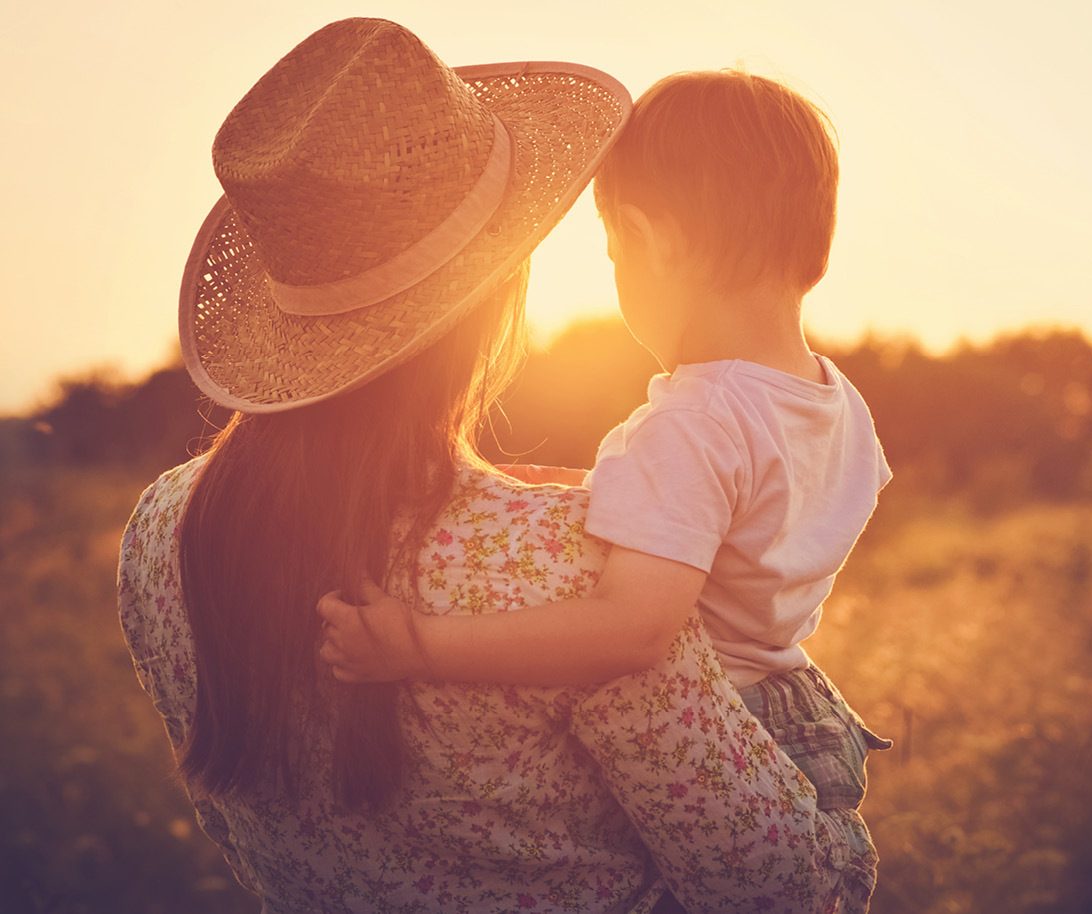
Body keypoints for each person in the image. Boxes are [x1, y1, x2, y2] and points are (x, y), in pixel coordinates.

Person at [119, 18, 869, 914]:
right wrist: (839, 842)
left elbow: (238, 824)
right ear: (496, 284)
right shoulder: (564, 573)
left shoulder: (166, 525)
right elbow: (776, 887)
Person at [318, 69, 892, 910]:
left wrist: (419, 645)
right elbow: (748, 518)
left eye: (617, 254)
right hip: (803, 710)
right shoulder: (836, 402)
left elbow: (634, 631)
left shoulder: (695, 420)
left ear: (644, 238)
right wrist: (612, 489)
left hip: (720, 738)